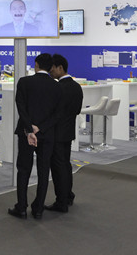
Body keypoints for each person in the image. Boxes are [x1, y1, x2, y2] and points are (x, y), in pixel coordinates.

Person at [8, 53, 63, 220]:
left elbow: (21, 107)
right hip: (46, 134)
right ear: (51, 67)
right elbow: (58, 114)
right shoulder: (57, 86)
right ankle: (38, 209)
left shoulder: (24, 82)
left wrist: (29, 128)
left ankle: (21, 207)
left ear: (36, 65)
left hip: (26, 133)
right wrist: (40, 128)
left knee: (23, 169)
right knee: (44, 171)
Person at [46, 54, 83, 212]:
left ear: (60, 67)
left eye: (52, 69)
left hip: (57, 133)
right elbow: (77, 110)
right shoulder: (76, 86)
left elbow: (53, 112)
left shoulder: (58, 88)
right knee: (66, 166)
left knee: (58, 168)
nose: (50, 72)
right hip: (68, 132)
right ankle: (68, 196)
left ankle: (61, 202)